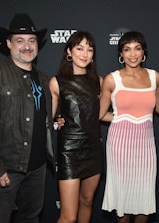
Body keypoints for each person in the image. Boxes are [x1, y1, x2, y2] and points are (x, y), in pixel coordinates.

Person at [0, 13, 54, 223]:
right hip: (5, 170)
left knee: (30, 218)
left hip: (37, 169)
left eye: (32, 41)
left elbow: (43, 120)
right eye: (20, 41)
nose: (27, 46)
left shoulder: (43, 79)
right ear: (8, 43)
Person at [100, 31, 159, 223]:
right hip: (119, 145)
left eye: (137, 48)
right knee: (123, 197)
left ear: (143, 51)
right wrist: (122, 118)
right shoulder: (112, 79)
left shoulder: (155, 77)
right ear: (121, 54)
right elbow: (100, 114)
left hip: (145, 146)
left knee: (144, 195)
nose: (133, 54)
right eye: (127, 49)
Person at [49, 30, 109, 223]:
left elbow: (102, 114)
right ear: (69, 51)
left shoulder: (99, 81)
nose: (84, 54)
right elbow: (47, 120)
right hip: (70, 151)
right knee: (68, 216)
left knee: (88, 200)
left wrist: (130, 117)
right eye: (79, 48)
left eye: (89, 50)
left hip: (94, 149)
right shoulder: (57, 82)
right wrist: (55, 123)